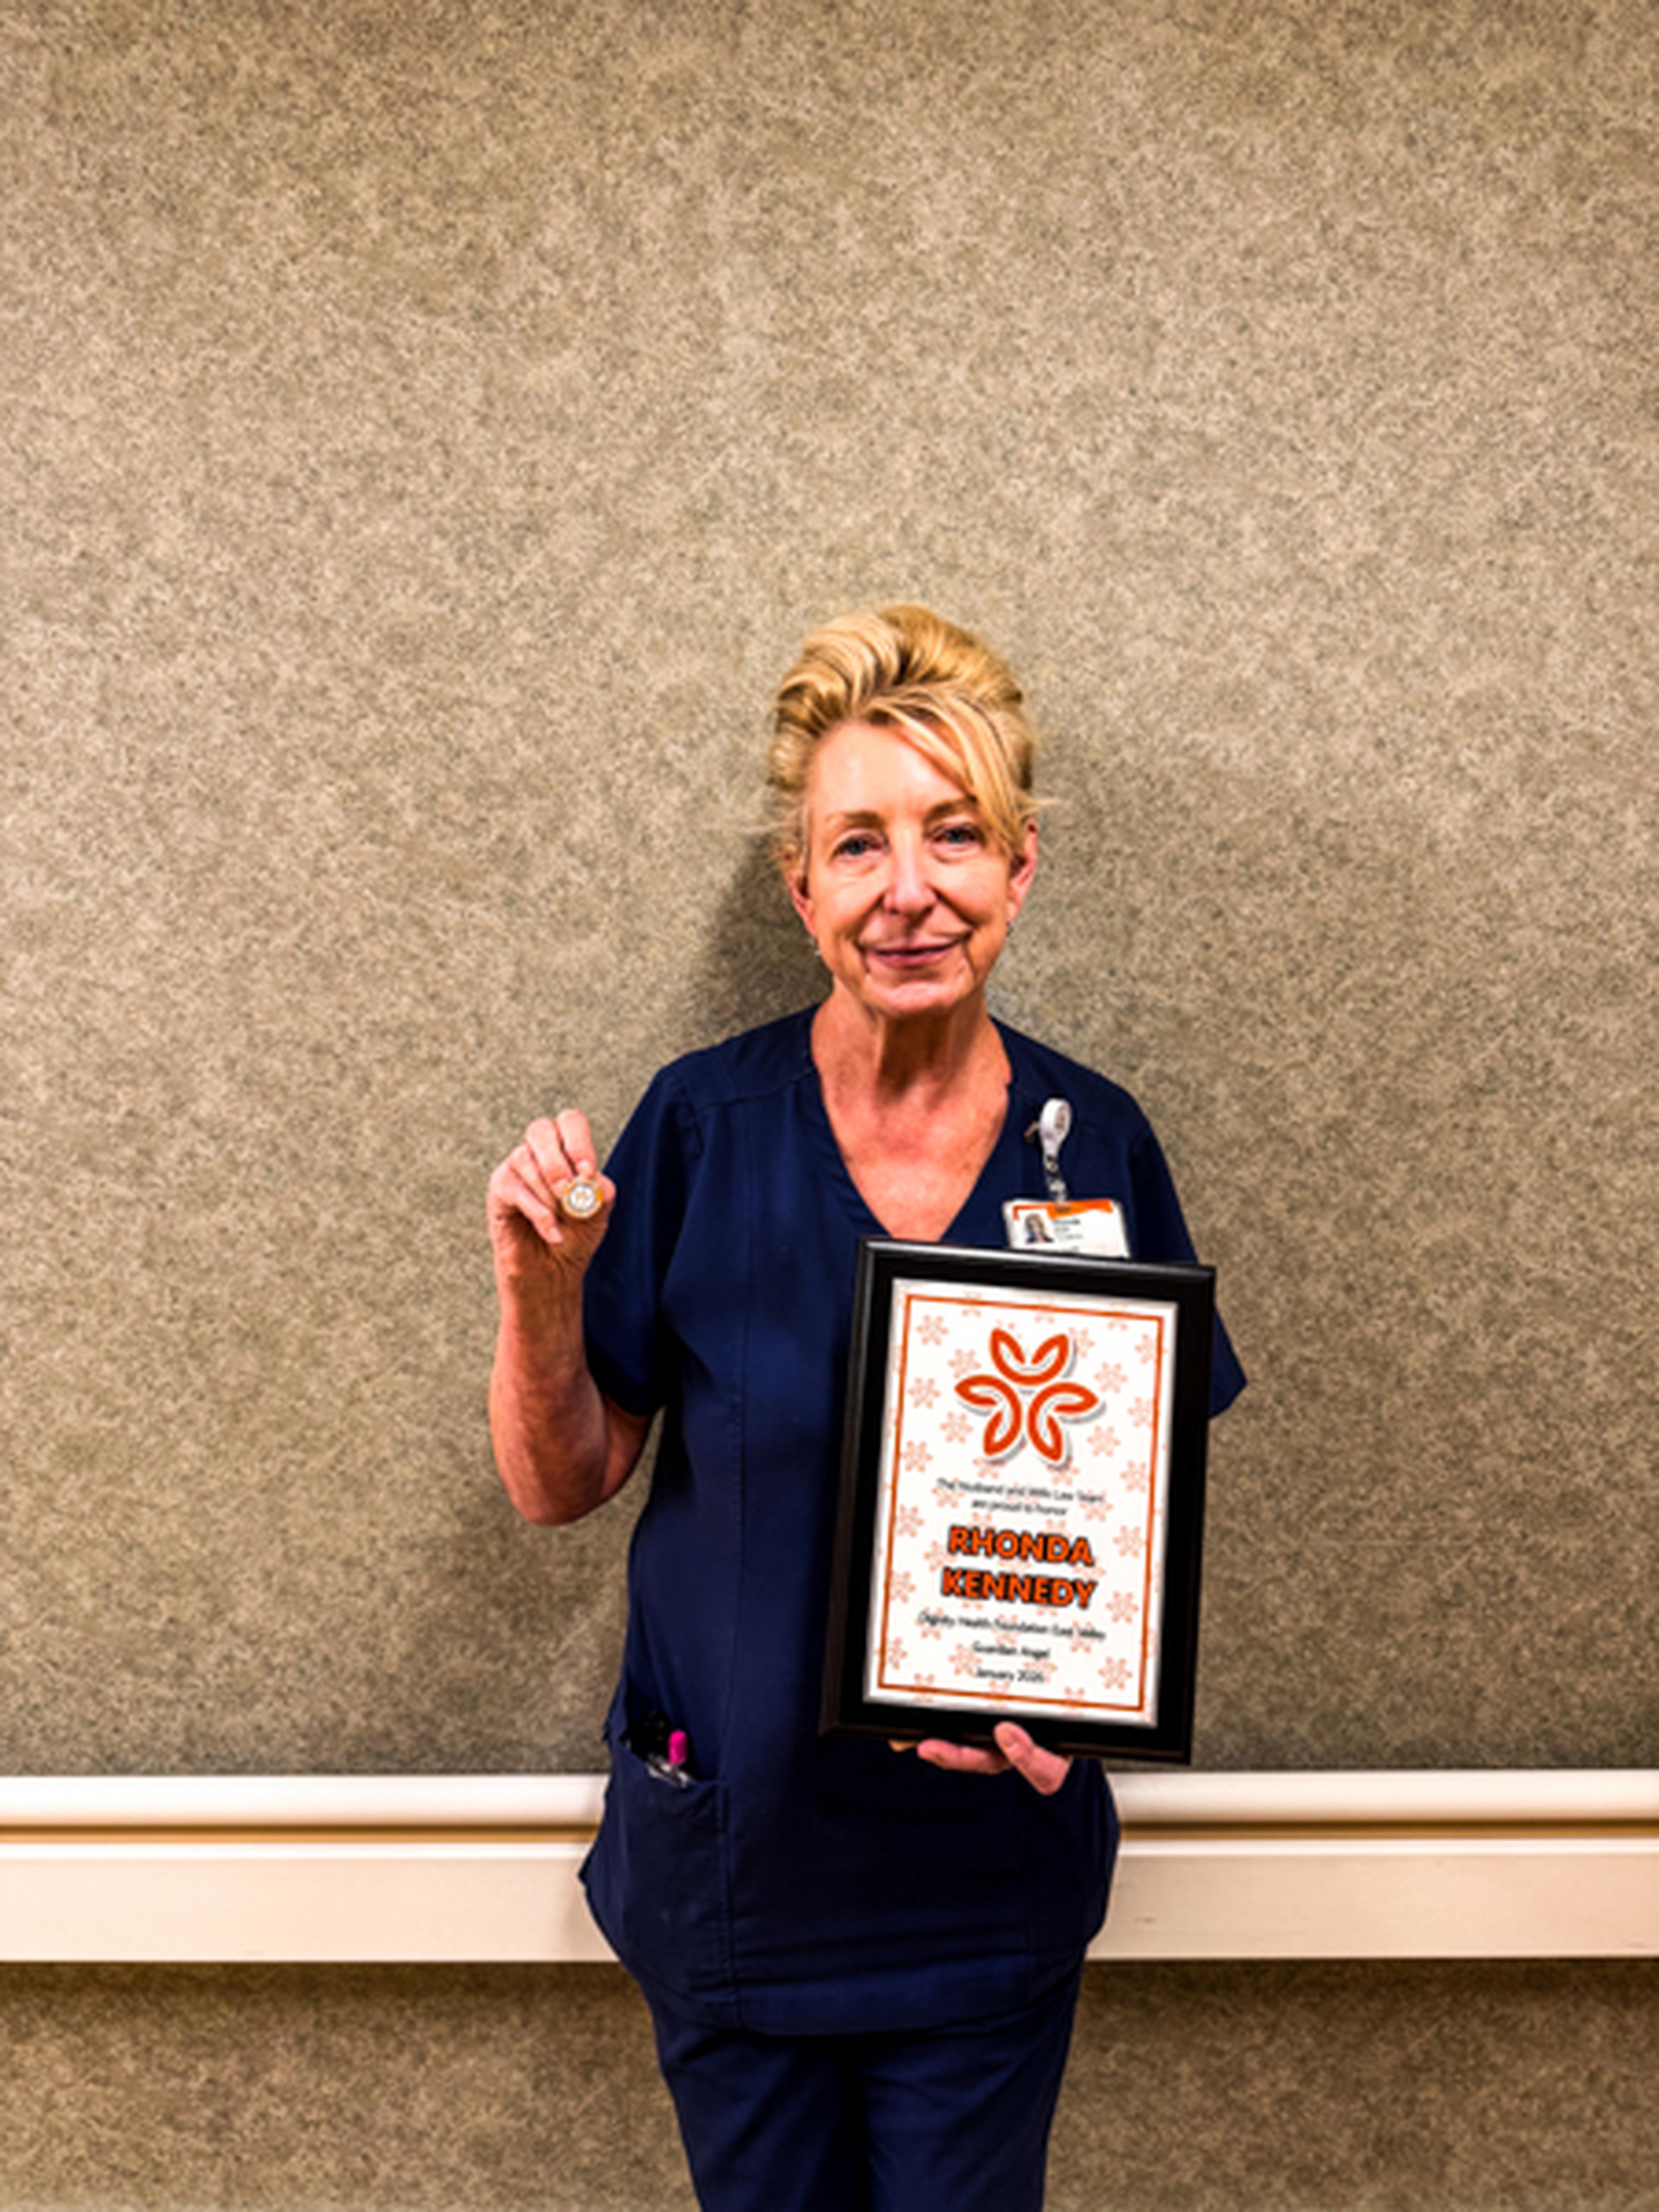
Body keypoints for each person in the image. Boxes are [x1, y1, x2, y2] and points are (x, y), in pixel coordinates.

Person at [487, 604, 1245, 2212]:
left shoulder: (1093, 1145)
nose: (911, 889)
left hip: (984, 1887)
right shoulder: (700, 1125)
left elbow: (1133, 1515)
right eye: (859, 845)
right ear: (803, 888)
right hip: (739, 1874)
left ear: (1021, 866)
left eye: (955, 834)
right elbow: (561, 1486)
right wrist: (540, 1292)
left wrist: (1077, 1698)